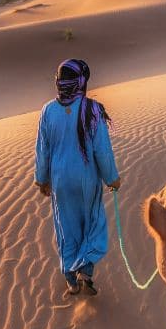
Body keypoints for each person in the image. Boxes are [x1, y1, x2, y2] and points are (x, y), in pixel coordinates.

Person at [34, 59, 121, 298]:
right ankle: (86, 272)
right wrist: (112, 178)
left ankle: (71, 280)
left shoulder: (48, 110)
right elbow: (102, 151)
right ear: (82, 82)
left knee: (67, 228)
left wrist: (42, 180)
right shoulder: (92, 110)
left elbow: (42, 150)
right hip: (87, 181)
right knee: (92, 224)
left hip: (60, 181)